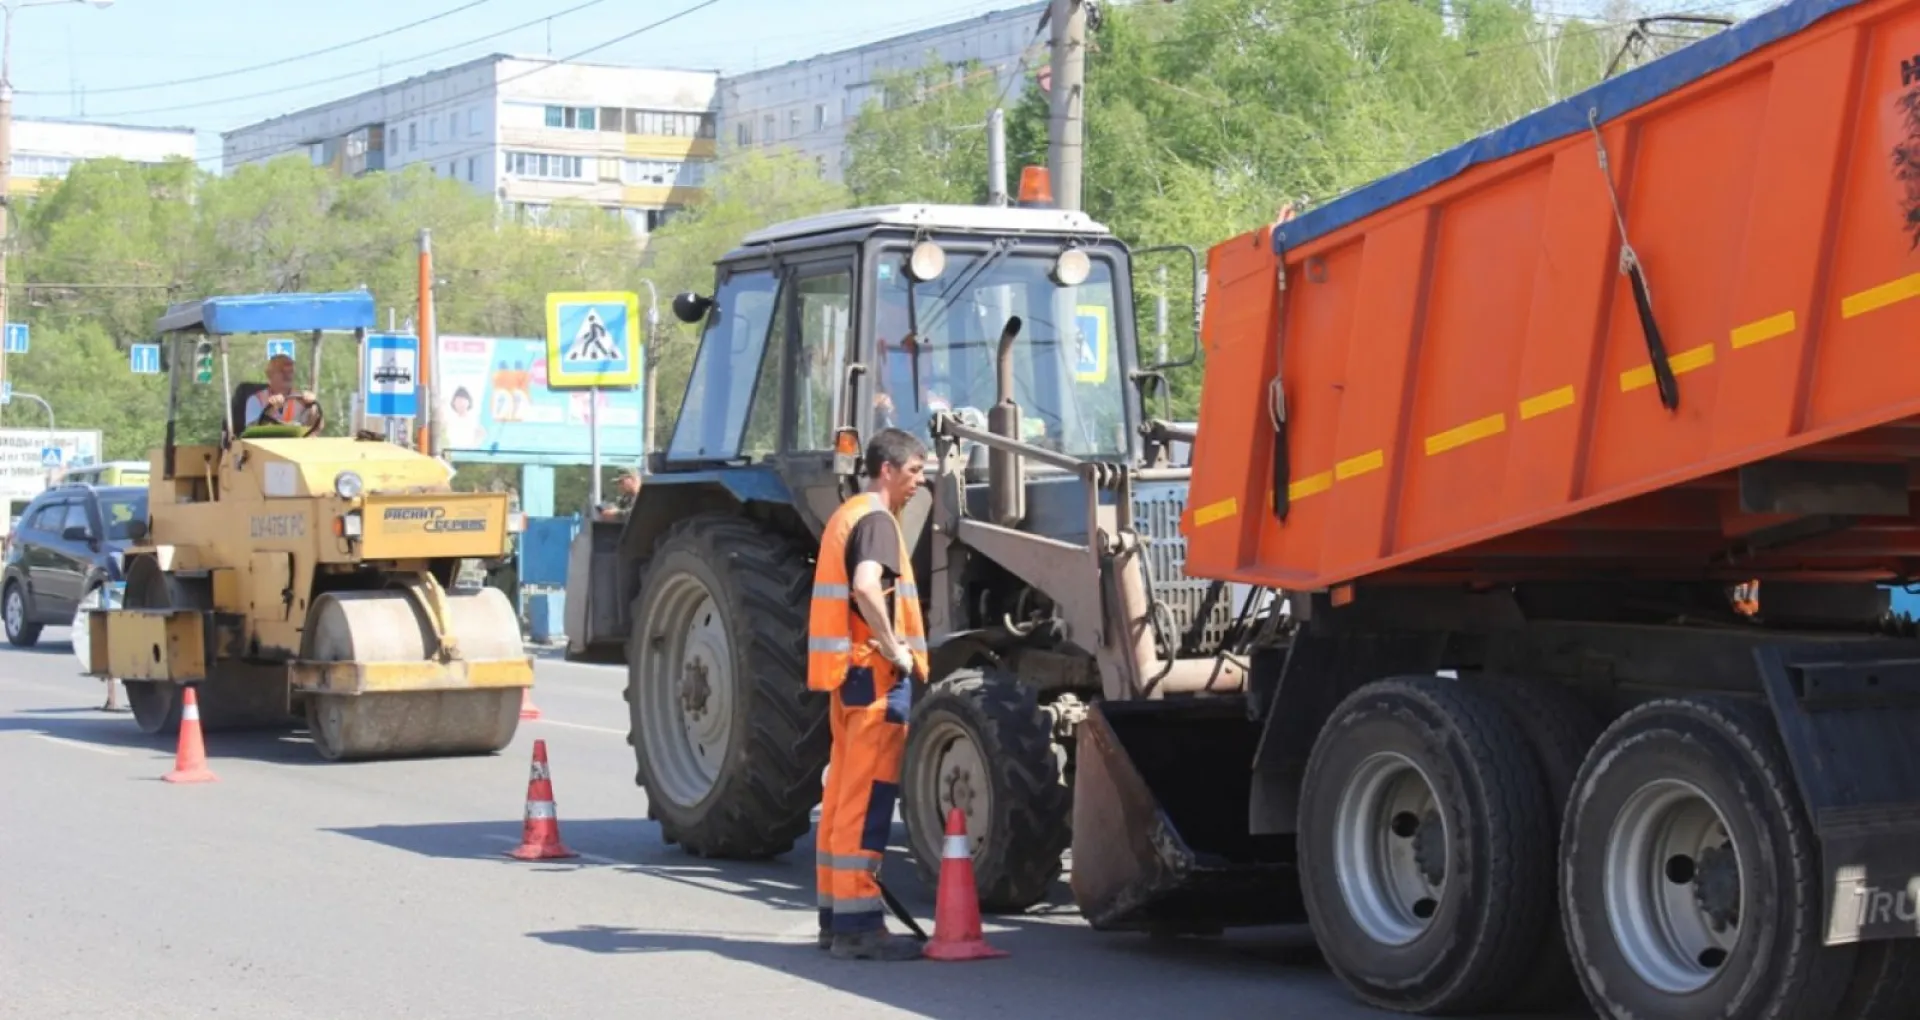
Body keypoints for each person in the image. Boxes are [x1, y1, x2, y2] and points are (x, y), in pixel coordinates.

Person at [809, 428, 929, 962]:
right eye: (915, 471)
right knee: (868, 799)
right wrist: (896, 648)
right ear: (887, 470)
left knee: (841, 799)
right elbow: (864, 585)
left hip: (848, 678)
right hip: (875, 678)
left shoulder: (847, 514)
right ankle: (859, 928)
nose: (919, 483)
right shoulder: (878, 521)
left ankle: (837, 918)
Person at [244, 354, 320, 431]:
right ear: (269, 374)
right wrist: (270, 412)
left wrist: (313, 408)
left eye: (290, 371)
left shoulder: (302, 400)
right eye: (282, 371)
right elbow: (251, 431)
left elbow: (315, 429)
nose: (287, 375)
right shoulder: (256, 400)